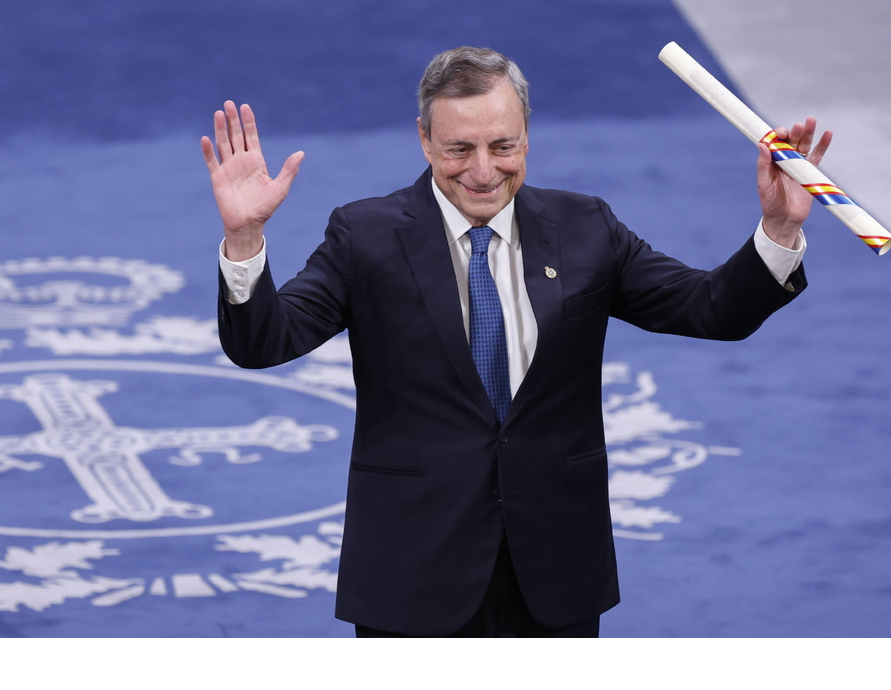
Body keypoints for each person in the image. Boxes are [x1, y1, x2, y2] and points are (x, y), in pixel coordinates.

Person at [203, 46, 831, 638]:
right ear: (424, 139)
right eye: (459, 149)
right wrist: (245, 240)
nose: (483, 172)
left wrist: (777, 228)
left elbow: (712, 308)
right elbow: (265, 342)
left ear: (527, 134)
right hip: (414, 572)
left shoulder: (586, 227)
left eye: (503, 145)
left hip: (557, 569)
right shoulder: (364, 235)